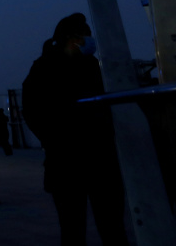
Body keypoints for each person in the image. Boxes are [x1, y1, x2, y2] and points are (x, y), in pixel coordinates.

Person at [22, 13, 127, 246]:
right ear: (73, 38)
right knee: (73, 229)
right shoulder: (44, 68)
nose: (90, 40)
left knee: (112, 227)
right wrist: (58, 139)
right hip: (67, 162)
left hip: (100, 160)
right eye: (86, 35)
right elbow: (33, 111)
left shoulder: (92, 66)